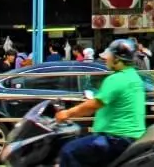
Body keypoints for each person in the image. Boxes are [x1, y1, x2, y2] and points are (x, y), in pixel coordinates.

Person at [55, 39, 147, 167]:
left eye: (109, 56)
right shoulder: (134, 77)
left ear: (117, 59)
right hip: (131, 137)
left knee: (69, 151)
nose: (106, 59)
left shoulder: (116, 79)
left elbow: (94, 105)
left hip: (115, 139)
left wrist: (67, 113)